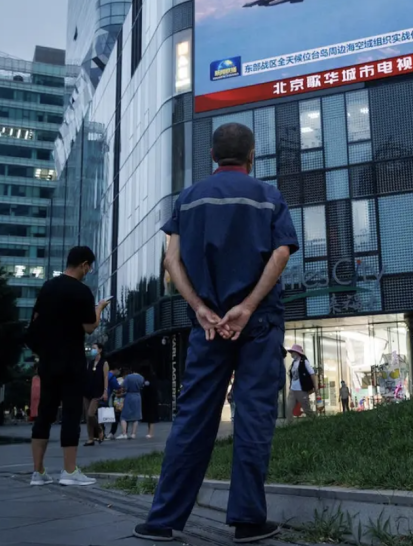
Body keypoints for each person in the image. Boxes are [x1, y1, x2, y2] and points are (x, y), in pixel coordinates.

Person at [133, 122, 298, 544]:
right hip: (258, 325)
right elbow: (281, 253)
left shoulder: (187, 200)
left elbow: (172, 261)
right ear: (252, 155)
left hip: (207, 329)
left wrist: (202, 309)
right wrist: (246, 307)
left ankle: (162, 519)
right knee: (253, 416)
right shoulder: (268, 197)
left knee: (193, 417)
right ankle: (246, 521)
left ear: (211, 156)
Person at [28, 245, 110, 487]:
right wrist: (100, 308)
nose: (89, 271)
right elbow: (89, 327)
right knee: (72, 413)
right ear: (84, 264)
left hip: (48, 360)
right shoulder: (82, 291)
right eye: (89, 267)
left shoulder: (48, 287)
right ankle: (69, 471)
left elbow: (35, 321)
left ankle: (38, 472)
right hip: (72, 361)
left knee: (45, 413)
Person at [83, 342, 109, 446]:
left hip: (97, 392)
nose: (92, 350)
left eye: (94, 348)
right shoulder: (90, 362)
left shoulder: (104, 363)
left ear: (100, 350)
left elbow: (106, 377)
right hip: (87, 391)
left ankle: (99, 429)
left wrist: (105, 391)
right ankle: (90, 438)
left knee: (91, 414)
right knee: (87, 417)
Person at [288, 345, 316, 418]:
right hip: (293, 389)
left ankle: (315, 421)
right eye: (291, 352)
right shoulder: (293, 363)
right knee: (288, 409)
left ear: (297, 353)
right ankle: (289, 425)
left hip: (301, 390)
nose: (291, 354)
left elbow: (312, 374)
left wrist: (316, 388)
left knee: (306, 409)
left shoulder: (304, 362)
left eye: (293, 352)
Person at [117, 368, 145, 440]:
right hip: (137, 396)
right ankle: (133, 434)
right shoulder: (141, 377)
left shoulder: (128, 377)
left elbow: (123, 386)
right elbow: (142, 386)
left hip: (129, 396)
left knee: (124, 416)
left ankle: (124, 433)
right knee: (136, 416)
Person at [140, 365, 159, 439]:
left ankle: (150, 432)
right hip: (149, 399)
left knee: (151, 416)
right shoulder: (148, 378)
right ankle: (149, 432)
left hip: (151, 399)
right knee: (149, 417)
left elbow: (152, 388)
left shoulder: (151, 378)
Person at [107, 368, 123, 438]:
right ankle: (111, 432)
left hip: (97, 396)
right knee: (115, 416)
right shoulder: (112, 377)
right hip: (107, 397)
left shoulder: (104, 374)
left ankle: (98, 433)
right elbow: (117, 387)